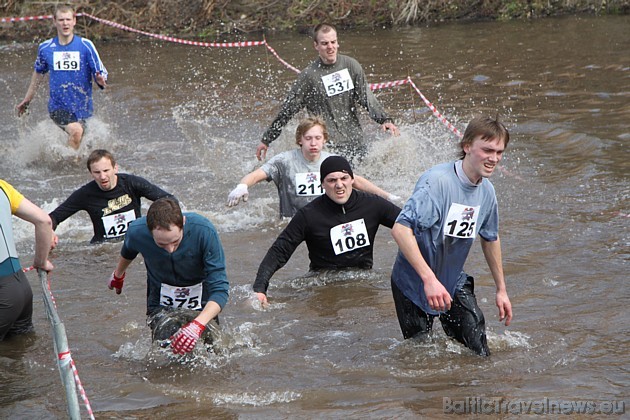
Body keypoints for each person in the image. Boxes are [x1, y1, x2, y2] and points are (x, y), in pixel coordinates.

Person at [390, 116, 513, 357]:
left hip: (451, 280)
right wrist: (429, 280)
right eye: (487, 150)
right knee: (422, 357)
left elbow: (490, 237)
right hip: (413, 283)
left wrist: (501, 289)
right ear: (467, 146)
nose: (494, 159)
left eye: (499, 152)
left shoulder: (487, 191)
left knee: (479, 353)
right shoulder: (437, 183)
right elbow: (400, 229)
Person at [253, 156, 401, 306]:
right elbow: (279, 251)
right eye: (332, 180)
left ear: (352, 180)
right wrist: (260, 288)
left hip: (364, 280)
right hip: (323, 283)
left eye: (344, 178)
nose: (339, 185)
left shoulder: (373, 204)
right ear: (322, 184)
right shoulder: (309, 215)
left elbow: (408, 225)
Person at [256, 23, 399, 163]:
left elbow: (367, 98)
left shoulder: (351, 66)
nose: (330, 47)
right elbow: (287, 111)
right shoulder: (308, 76)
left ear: (337, 43)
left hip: (355, 141)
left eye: (333, 42)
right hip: (327, 146)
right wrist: (267, 139)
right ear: (316, 46)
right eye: (324, 43)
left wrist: (385, 120)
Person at [107, 198, 229, 355]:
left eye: (175, 241)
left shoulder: (204, 231)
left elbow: (220, 290)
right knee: (167, 354)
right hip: (160, 298)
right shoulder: (137, 231)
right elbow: (128, 251)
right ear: (149, 231)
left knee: (212, 353)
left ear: (183, 222)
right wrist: (118, 275)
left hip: (201, 295)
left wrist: (197, 325)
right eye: (161, 245)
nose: (170, 250)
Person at [229, 116, 400, 217]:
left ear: (324, 140)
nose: (313, 143)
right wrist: (242, 185)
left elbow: (356, 181)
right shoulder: (284, 161)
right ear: (300, 140)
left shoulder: (332, 160)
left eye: (318, 138)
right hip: (293, 221)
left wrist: (387, 196)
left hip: (325, 219)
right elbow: (255, 175)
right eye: (308, 138)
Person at [16, 4, 108, 150]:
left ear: (74, 21)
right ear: (54, 21)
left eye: (68, 19)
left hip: (83, 107)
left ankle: (67, 162)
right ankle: (67, 168)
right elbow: (38, 73)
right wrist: (27, 99)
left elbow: (100, 72)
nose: (65, 23)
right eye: (61, 20)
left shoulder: (85, 46)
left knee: (84, 143)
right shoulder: (46, 48)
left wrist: (100, 80)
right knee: (76, 132)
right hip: (58, 107)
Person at [49, 149, 176, 245]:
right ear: (91, 173)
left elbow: (168, 199)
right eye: (97, 172)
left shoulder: (132, 183)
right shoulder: (85, 194)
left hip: (135, 241)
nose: (102, 177)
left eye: (106, 171)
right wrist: (49, 234)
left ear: (115, 168)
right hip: (104, 248)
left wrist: (160, 223)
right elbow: (54, 217)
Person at [0, 179, 54, 341]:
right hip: (22, 290)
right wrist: (41, 261)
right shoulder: (3, 186)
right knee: (16, 354)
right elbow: (44, 221)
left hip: (2, 296)